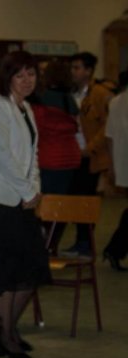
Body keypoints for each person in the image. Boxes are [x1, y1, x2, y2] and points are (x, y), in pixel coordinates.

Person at [0, 50, 50, 358]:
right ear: (8, 78)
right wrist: (27, 191)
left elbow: (32, 156)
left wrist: (35, 189)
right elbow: (3, 157)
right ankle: (5, 336)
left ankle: (8, 329)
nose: (27, 80)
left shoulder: (26, 108)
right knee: (6, 272)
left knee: (31, 270)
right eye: (20, 75)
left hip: (23, 200)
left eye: (31, 74)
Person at [65, 52, 114, 257]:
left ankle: (85, 243)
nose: (73, 72)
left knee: (85, 199)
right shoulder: (69, 93)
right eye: (72, 67)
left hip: (89, 156)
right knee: (75, 198)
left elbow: (107, 125)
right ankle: (80, 241)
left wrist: (90, 148)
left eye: (77, 68)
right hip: (71, 154)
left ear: (89, 71)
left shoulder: (100, 93)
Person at [31, 59, 81, 253]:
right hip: (70, 158)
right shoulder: (69, 100)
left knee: (42, 205)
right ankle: (52, 244)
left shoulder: (40, 99)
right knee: (60, 205)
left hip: (48, 157)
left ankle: (40, 245)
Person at [102, 70, 128, 271]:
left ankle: (114, 250)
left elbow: (109, 136)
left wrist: (112, 165)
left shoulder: (116, 102)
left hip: (123, 163)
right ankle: (114, 249)